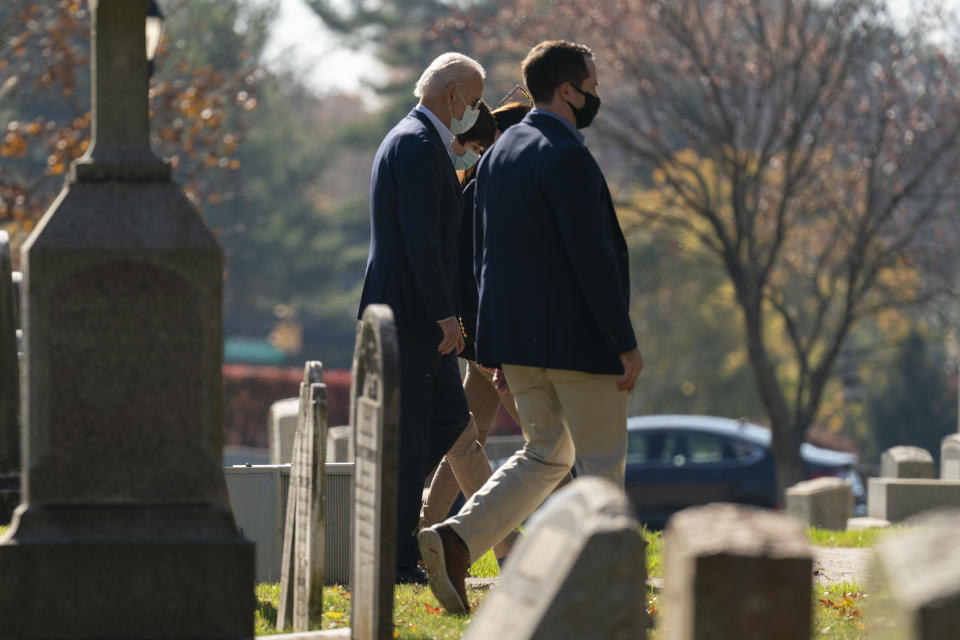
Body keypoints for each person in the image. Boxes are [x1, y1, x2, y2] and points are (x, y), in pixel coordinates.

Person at [418, 40, 644, 613]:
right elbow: (591, 257)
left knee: (546, 455)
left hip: (518, 346)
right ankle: (604, 597)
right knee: (599, 464)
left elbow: (482, 256)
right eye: (591, 85)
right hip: (577, 342)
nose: (596, 96)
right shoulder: (565, 153)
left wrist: (489, 346)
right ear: (567, 90)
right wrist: (623, 341)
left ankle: (456, 539)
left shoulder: (497, 156)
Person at [357, 51, 485, 584]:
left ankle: (421, 540)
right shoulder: (415, 144)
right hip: (410, 320)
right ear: (450, 93)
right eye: (473, 100)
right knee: (412, 440)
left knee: (448, 425)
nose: (474, 111)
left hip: (411, 317)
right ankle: (396, 560)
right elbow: (422, 242)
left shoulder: (419, 141)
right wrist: (444, 316)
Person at [420, 102, 534, 564]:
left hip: (483, 341)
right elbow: (472, 274)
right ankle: (588, 537)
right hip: (493, 343)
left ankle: (425, 529)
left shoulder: (483, 179)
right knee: (547, 446)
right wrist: (489, 347)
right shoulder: (490, 182)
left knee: (468, 434)